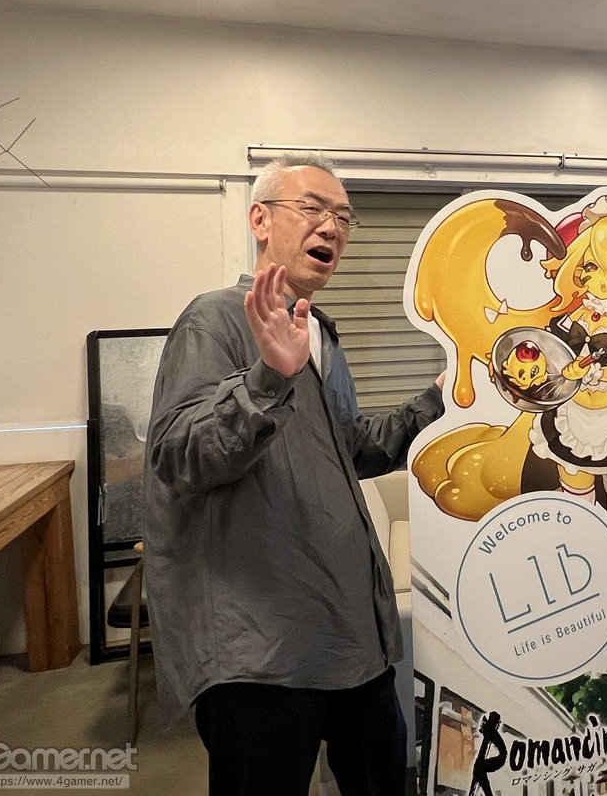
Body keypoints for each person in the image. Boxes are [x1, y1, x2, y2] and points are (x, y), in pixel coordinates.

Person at [143, 154, 444, 796]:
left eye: (343, 217)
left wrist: (441, 400)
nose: (331, 226)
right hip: (263, 650)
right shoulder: (215, 320)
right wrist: (268, 379)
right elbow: (179, 454)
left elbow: (350, 449)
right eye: (312, 208)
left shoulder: (320, 335)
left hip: (350, 634)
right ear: (260, 219)